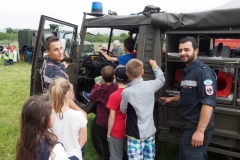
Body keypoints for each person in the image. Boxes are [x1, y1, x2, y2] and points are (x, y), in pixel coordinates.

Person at [159, 36, 217, 160]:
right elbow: (191, 95)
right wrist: (173, 99)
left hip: (196, 127)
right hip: (189, 127)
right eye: (180, 50)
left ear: (196, 51)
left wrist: (200, 131)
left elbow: (208, 103)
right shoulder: (190, 70)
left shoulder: (203, 73)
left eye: (186, 50)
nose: (182, 53)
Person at [120, 59, 165, 159]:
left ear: (127, 74)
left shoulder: (127, 92)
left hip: (134, 134)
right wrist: (155, 66)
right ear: (143, 71)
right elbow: (161, 79)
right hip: (150, 131)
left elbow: (123, 110)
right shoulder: (150, 85)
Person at [40, 36, 87, 117]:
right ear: (48, 51)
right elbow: (65, 97)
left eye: (61, 48)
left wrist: (62, 66)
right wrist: (81, 111)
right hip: (60, 105)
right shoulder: (57, 72)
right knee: (83, 115)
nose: (60, 52)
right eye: (56, 49)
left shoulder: (46, 62)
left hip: (49, 100)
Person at [16, 95, 69, 160]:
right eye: (53, 112)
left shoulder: (24, 143)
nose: (55, 114)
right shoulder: (55, 150)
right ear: (43, 120)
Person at [49, 78, 88, 160]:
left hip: (54, 155)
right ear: (70, 94)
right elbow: (83, 139)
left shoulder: (47, 115)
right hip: (74, 155)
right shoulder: (79, 115)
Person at [90, 65, 118, 160]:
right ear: (114, 76)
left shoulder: (99, 90)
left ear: (102, 77)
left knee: (104, 145)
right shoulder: (116, 89)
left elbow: (92, 97)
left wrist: (96, 86)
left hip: (102, 124)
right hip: (114, 123)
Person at [106, 65, 129, 160]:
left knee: (116, 157)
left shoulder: (114, 95)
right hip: (130, 130)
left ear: (115, 77)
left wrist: (108, 133)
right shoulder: (132, 92)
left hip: (117, 131)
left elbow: (112, 117)